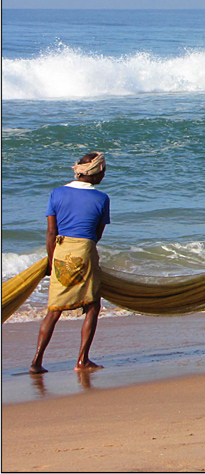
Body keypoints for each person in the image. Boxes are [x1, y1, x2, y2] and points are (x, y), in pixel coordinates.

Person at [30, 152, 111, 374]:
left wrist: (50, 261)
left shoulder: (57, 193)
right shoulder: (102, 199)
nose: (104, 175)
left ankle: (36, 362)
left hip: (60, 252)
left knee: (53, 310)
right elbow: (97, 235)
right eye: (103, 170)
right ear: (94, 173)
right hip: (84, 252)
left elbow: (51, 232)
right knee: (92, 305)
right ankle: (82, 360)